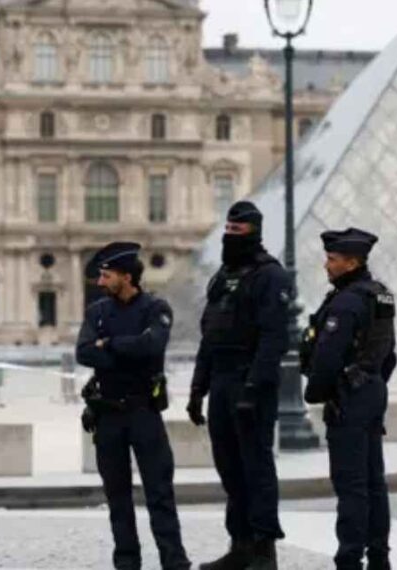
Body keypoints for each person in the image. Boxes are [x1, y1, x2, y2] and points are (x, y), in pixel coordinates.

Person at [188, 202, 292, 570]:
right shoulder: (222, 276)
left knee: (256, 468)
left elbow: (273, 338)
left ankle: (265, 550)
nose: (230, 237)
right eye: (227, 230)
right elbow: (209, 336)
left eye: (238, 231)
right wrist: (197, 389)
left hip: (252, 382)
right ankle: (240, 545)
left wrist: (253, 387)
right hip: (221, 380)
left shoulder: (271, 276)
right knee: (229, 467)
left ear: (254, 232)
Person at [76, 242, 190, 570]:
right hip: (108, 414)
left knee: (160, 495)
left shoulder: (156, 308)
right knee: (117, 498)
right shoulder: (97, 312)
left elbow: (153, 346)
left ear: (127, 277)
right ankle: (127, 562)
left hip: (144, 413)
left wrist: (109, 345)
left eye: (106, 276)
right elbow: (84, 352)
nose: (99, 282)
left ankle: (174, 562)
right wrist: (128, 350)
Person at [301, 228, 397, 570]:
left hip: (349, 397)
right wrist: (372, 383)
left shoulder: (345, 302)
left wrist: (317, 392)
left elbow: (327, 357)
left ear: (351, 262)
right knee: (374, 483)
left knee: (351, 485)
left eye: (332, 259)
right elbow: (389, 356)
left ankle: (349, 559)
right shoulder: (381, 296)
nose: (326, 265)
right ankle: (379, 558)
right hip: (371, 392)